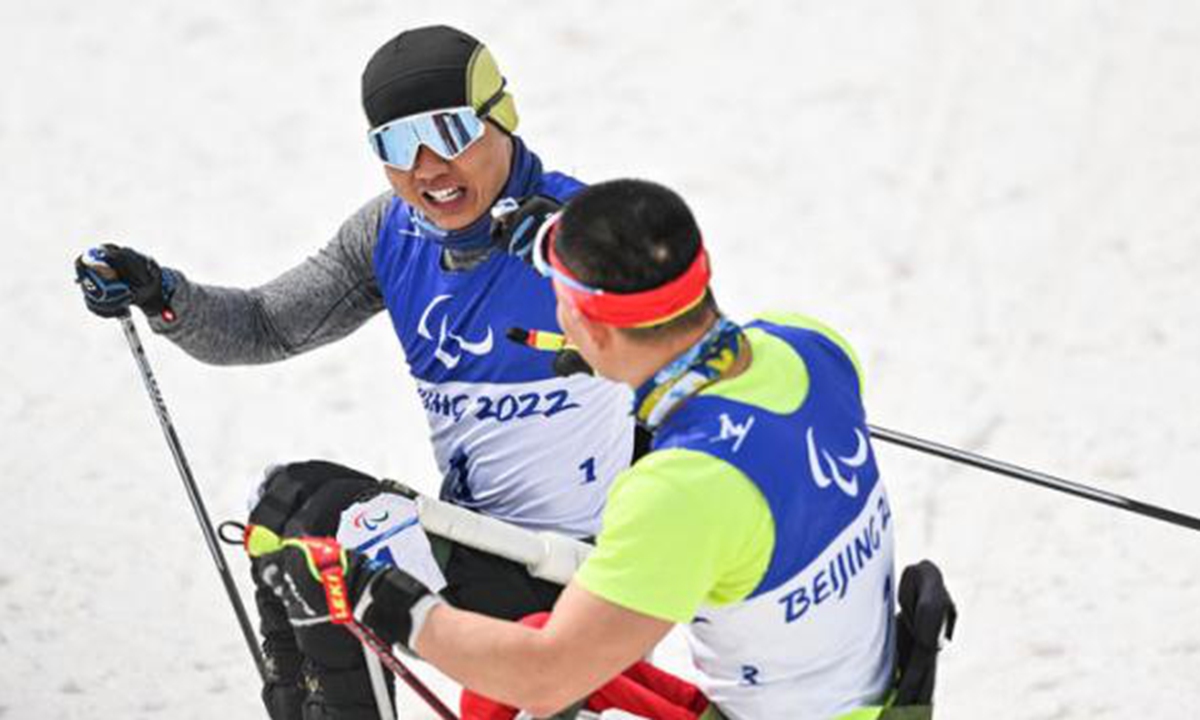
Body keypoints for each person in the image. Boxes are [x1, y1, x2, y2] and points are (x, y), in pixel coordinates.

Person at [75, 25, 641, 720]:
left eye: (450, 132)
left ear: (502, 116)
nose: (427, 168)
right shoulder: (391, 233)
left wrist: (591, 267)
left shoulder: (587, 230)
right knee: (284, 504)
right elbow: (267, 324)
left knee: (329, 537)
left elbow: (700, 353)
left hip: (578, 576)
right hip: (481, 547)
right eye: (397, 145)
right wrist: (164, 295)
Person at [254, 178, 902, 719]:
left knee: (509, 684)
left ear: (592, 329)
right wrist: (555, 248)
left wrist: (381, 598)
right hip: (874, 697)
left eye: (557, 301)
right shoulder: (807, 346)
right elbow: (678, 323)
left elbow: (544, 678)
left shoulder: (679, 490)